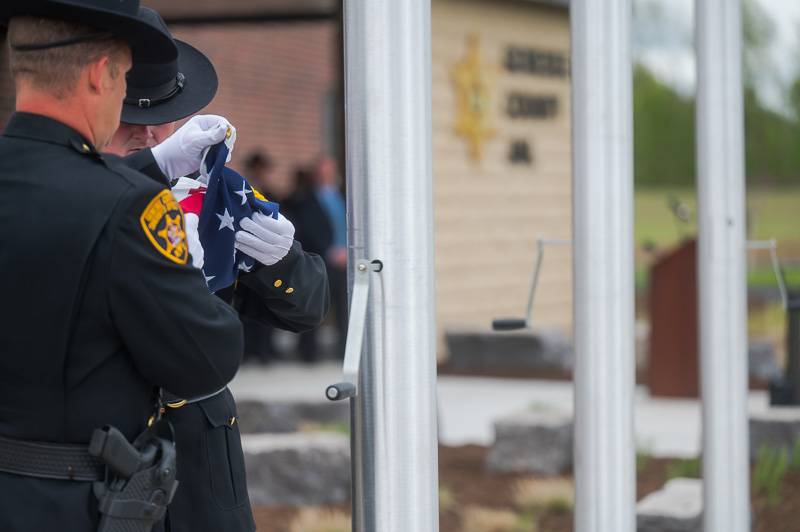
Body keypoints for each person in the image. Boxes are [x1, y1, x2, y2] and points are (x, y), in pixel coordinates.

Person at [0, 2, 245, 531]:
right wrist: (194, 281)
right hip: (75, 506)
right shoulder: (131, 208)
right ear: (99, 74)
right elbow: (206, 358)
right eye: (124, 80)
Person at [104, 8, 330, 532]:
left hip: (199, 451)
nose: (153, 133)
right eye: (133, 119)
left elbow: (307, 308)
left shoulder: (212, 196)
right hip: (106, 442)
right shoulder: (62, 189)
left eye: (168, 115)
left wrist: (285, 261)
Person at [284, 156, 348, 362]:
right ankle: (308, 353)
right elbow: (309, 229)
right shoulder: (307, 200)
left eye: (330, 171)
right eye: (323, 171)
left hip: (344, 259)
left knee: (344, 308)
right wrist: (330, 251)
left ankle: (345, 350)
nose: (327, 175)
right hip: (322, 260)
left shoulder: (342, 195)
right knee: (315, 307)